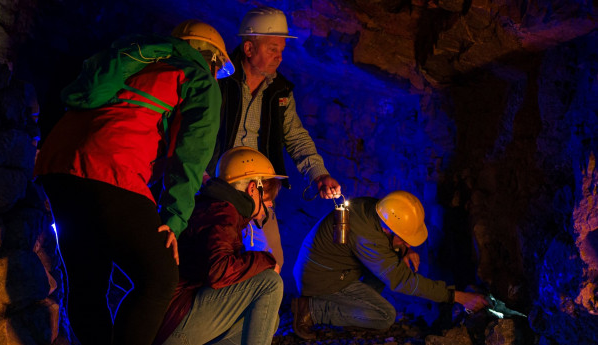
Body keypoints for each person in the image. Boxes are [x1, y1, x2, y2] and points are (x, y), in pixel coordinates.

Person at [34, 20, 233, 345]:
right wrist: (175, 218)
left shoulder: (134, 59)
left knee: (88, 282)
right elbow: (192, 154)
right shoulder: (196, 76)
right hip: (112, 167)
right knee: (159, 277)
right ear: (212, 60)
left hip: (57, 167)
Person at [208, 5, 342, 270]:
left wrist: (319, 174)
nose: (279, 57)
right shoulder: (218, 79)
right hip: (217, 185)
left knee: (272, 265)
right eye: (272, 49)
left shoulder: (280, 92)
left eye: (281, 50)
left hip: (259, 191)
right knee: (219, 264)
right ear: (248, 49)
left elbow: (296, 136)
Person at [292, 191, 491, 340]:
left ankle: (352, 315)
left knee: (385, 269)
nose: (409, 244)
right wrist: (457, 296)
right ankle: (311, 309)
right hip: (321, 280)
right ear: (388, 229)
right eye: (405, 240)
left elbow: (386, 243)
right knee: (385, 316)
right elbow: (402, 281)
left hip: (335, 270)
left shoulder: (377, 210)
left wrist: (405, 250)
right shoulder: (367, 237)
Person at [154, 146, 287, 345]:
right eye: (267, 200)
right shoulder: (222, 212)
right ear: (253, 188)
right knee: (269, 282)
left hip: (178, 318)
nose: (268, 208)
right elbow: (219, 271)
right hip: (177, 322)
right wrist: (265, 260)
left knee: (269, 317)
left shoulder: (217, 207)